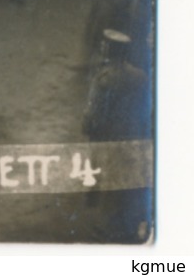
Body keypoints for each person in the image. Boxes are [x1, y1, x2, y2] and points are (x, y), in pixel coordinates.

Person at [83, 30, 151, 243]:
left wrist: (87, 127)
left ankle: (106, 227)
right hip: (132, 134)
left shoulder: (104, 78)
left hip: (107, 135)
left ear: (108, 50)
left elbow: (94, 111)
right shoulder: (140, 76)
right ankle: (126, 223)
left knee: (104, 178)